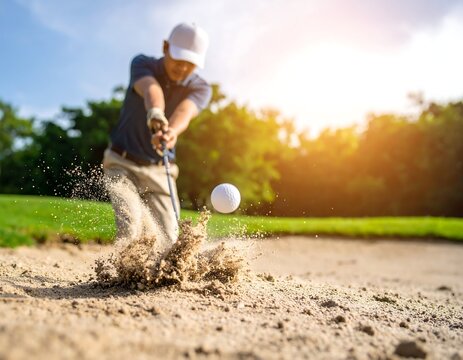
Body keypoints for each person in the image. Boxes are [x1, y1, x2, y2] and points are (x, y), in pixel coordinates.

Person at [102, 23, 212, 244]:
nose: (182, 68)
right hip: (121, 163)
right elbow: (152, 89)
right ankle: (127, 276)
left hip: (161, 170)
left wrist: (170, 131)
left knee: (169, 239)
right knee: (130, 224)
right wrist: (155, 113)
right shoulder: (142, 63)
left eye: (190, 64)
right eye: (178, 59)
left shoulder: (201, 88)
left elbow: (185, 112)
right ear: (165, 47)